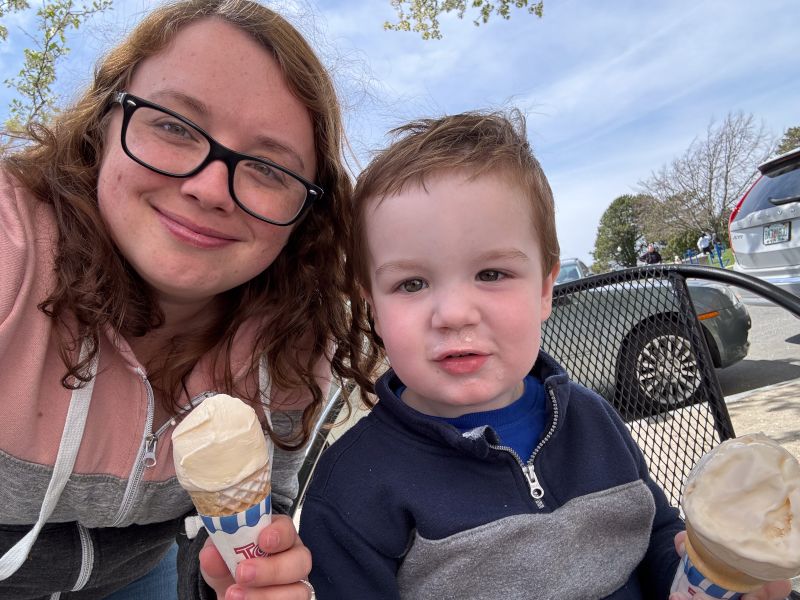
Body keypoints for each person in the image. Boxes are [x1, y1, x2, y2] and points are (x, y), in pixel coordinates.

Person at [298, 111, 792, 600]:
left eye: (491, 273)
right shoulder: (352, 487)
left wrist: (705, 577)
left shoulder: (592, 418)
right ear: (374, 308)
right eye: (411, 283)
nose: (452, 313)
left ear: (544, 290)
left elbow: (654, 537)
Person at [0, 1, 377, 598]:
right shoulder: (10, 244)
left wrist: (244, 578)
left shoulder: (294, 339)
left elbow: (254, 518)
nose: (209, 189)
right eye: (174, 126)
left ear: (307, 212)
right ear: (104, 122)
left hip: (138, 571)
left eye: (268, 168)